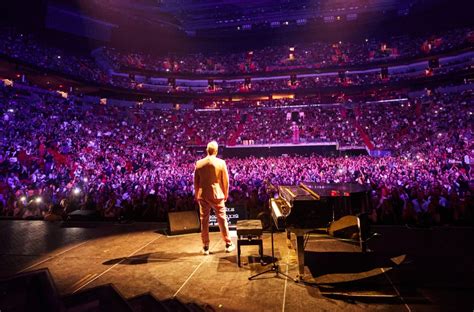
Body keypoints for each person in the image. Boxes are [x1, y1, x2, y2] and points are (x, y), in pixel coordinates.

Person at [194, 141, 235, 255]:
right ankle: (228, 243)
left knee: (204, 221)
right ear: (216, 151)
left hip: (202, 195)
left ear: (207, 150)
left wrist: (197, 194)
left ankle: (206, 246)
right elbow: (225, 181)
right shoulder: (221, 163)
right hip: (217, 194)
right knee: (222, 219)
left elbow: (196, 182)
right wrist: (226, 193)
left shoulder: (199, 163)